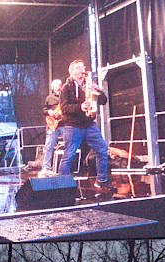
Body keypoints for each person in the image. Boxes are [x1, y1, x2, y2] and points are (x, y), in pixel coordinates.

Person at [57, 60, 113, 194]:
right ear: (72, 71)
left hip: (88, 124)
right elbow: (64, 108)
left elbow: (103, 102)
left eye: (83, 67)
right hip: (72, 126)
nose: (82, 70)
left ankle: (101, 180)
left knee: (102, 150)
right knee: (69, 155)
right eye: (79, 68)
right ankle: (61, 184)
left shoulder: (88, 85)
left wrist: (100, 91)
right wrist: (80, 107)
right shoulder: (66, 87)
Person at [39, 78, 64, 177]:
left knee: (70, 145)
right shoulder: (49, 98)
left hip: (64, 124)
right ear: (53, 88)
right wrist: (49, 111)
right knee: (49, 146)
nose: (59, 87)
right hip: (53, 125)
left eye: (60, 85)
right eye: (57, 86)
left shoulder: (65, 97)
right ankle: (46, 167)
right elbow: (44, 110)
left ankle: (65, 167)